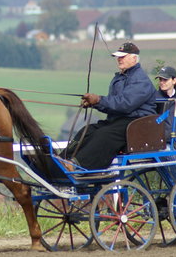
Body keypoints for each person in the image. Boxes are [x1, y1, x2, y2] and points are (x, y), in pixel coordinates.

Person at [61, 42, 156, 170]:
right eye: (118, 56)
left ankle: (78, 165)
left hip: (136, 123)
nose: (119, 59)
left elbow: (124, 104)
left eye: (123, 56)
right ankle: (62, 159)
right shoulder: (121, 77)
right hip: (120, 120)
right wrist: (94, 103)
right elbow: (113, 103)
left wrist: (98, 100)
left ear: (134, 58)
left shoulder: (141, 80)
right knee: (88, 130)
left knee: (104, 134)